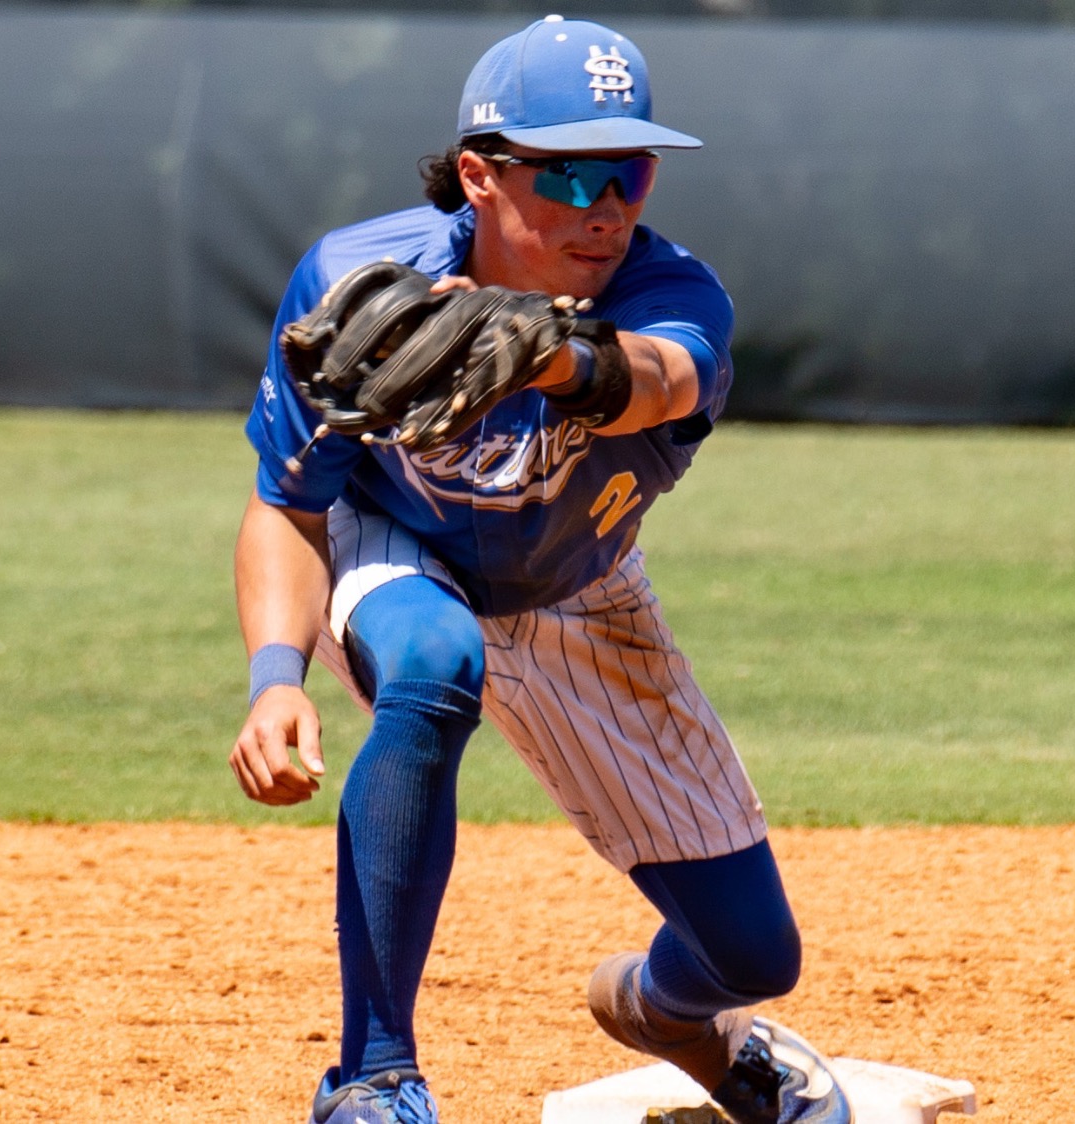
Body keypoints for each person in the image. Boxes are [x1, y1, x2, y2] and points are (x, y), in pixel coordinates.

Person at [230, 16, 854, 1124]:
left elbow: (657, 380)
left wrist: (555, 353)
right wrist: (275, 673)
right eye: (567, 172)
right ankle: (372, 1077)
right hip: (397, 546)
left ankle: (667, 1016)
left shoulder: (673, 296)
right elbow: (288, 498)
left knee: (753, 949)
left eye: (628, 171)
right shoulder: (357, 280)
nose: (605, 204)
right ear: (477, 173)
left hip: (581, 593)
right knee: (432, 662)